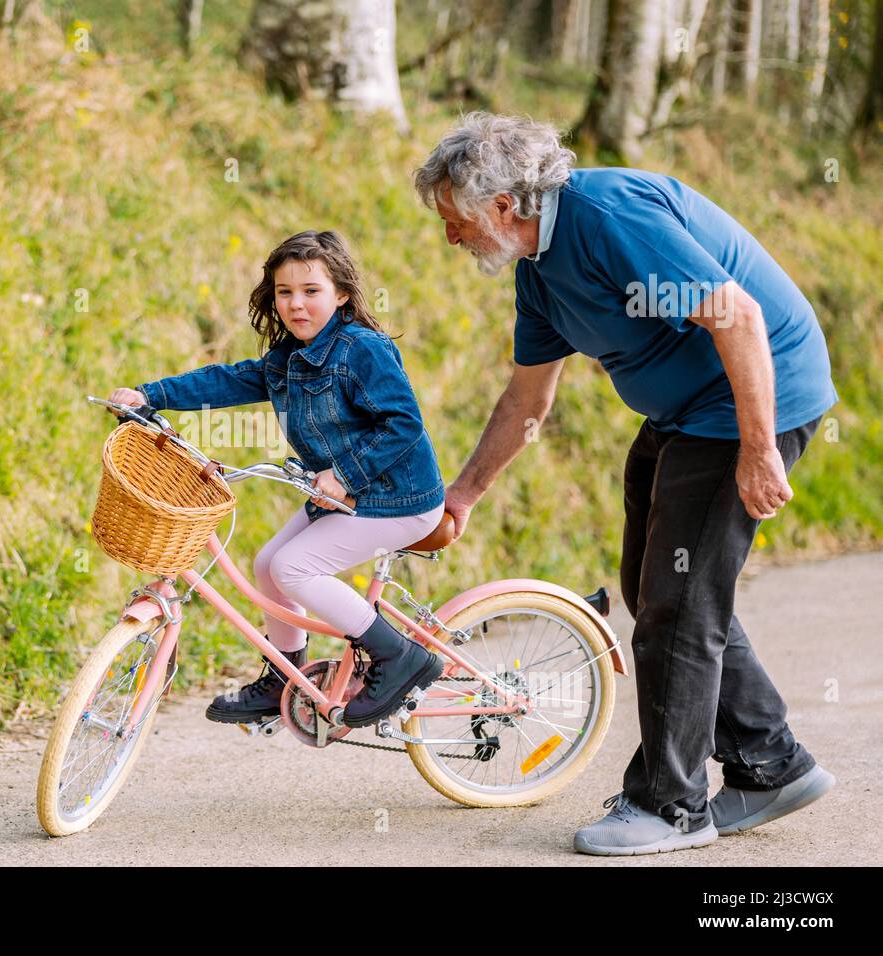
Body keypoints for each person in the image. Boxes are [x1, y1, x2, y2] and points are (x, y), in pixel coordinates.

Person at [413, 111, 837, 855]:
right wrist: (465, 494)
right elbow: (527, 401)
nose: (451, 235)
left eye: (455, 219)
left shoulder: (607, 219)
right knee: (654, 590)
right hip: (684, 411)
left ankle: (672, 808)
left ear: (504, 206)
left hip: (752, 399)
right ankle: (771, 764)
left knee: (679, 606)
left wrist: (759, 447)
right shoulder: (539, 273)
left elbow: (735, 314)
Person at [109, 229, 445, 728]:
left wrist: (345, 474)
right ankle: (285, 675)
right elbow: (226, 380)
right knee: (269, 565)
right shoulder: (286, 359)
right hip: (345, 499)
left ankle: (400, 658)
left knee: (293, 568)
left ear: (342, 295)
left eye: (312, 291)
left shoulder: (361, 349)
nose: (297, 304)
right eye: (285, 292)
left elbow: (403, 423)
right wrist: (149, 396)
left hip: (398, 498)